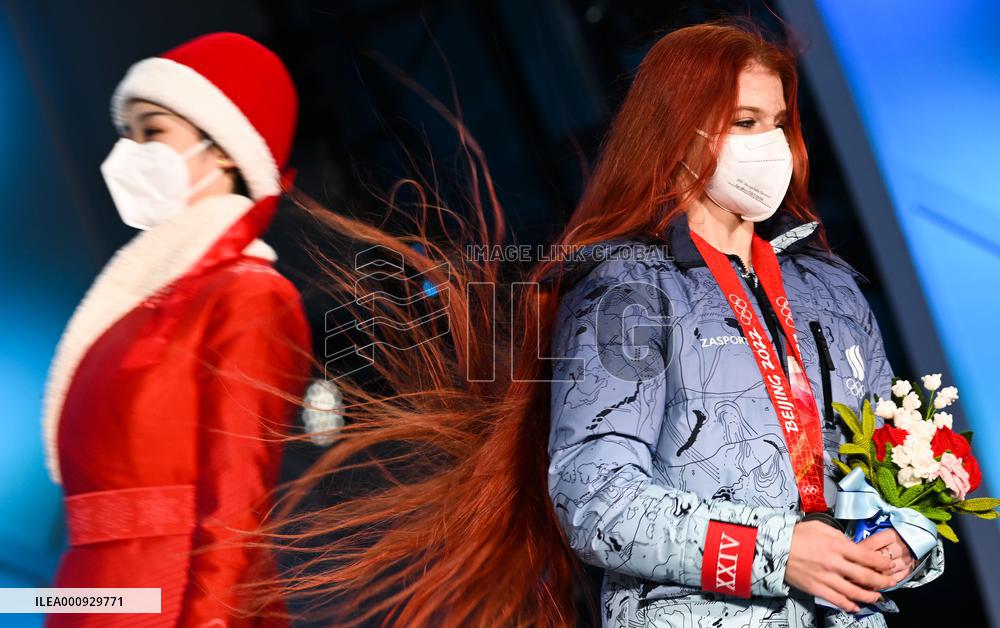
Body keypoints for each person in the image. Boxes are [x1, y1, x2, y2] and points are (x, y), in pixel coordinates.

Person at [260, 20, 944, 628]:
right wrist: (778, 552)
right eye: (743, 122)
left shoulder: (832, 289)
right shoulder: (626, 292)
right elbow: (597, 503)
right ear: (679, 132)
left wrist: (909, 535)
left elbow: (907, 460)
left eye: (776, 121)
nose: (770, 143)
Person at [41, 32, 312, 627]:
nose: (128, 152)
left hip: (173, 599)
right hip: (90, 596)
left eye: (152, 130)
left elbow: (237, 506)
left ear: (222, 150)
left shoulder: (251, 296)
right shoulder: (126, 307)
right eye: (126, 134)